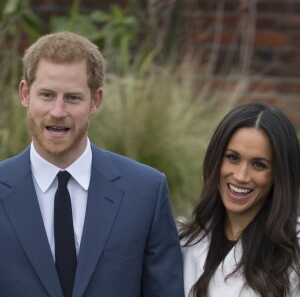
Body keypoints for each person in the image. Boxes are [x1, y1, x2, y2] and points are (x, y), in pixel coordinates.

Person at [0, 31, 184, 297]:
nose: (58, 111)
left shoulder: (146, 192)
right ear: (25, 94)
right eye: (47, 95)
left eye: (72, 98)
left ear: (95, 101)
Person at [180, 102, 300, 297]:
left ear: (279, 175)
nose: (241, 176)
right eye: (233, 158)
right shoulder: (184, 242)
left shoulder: (294, 251)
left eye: (259, 165)